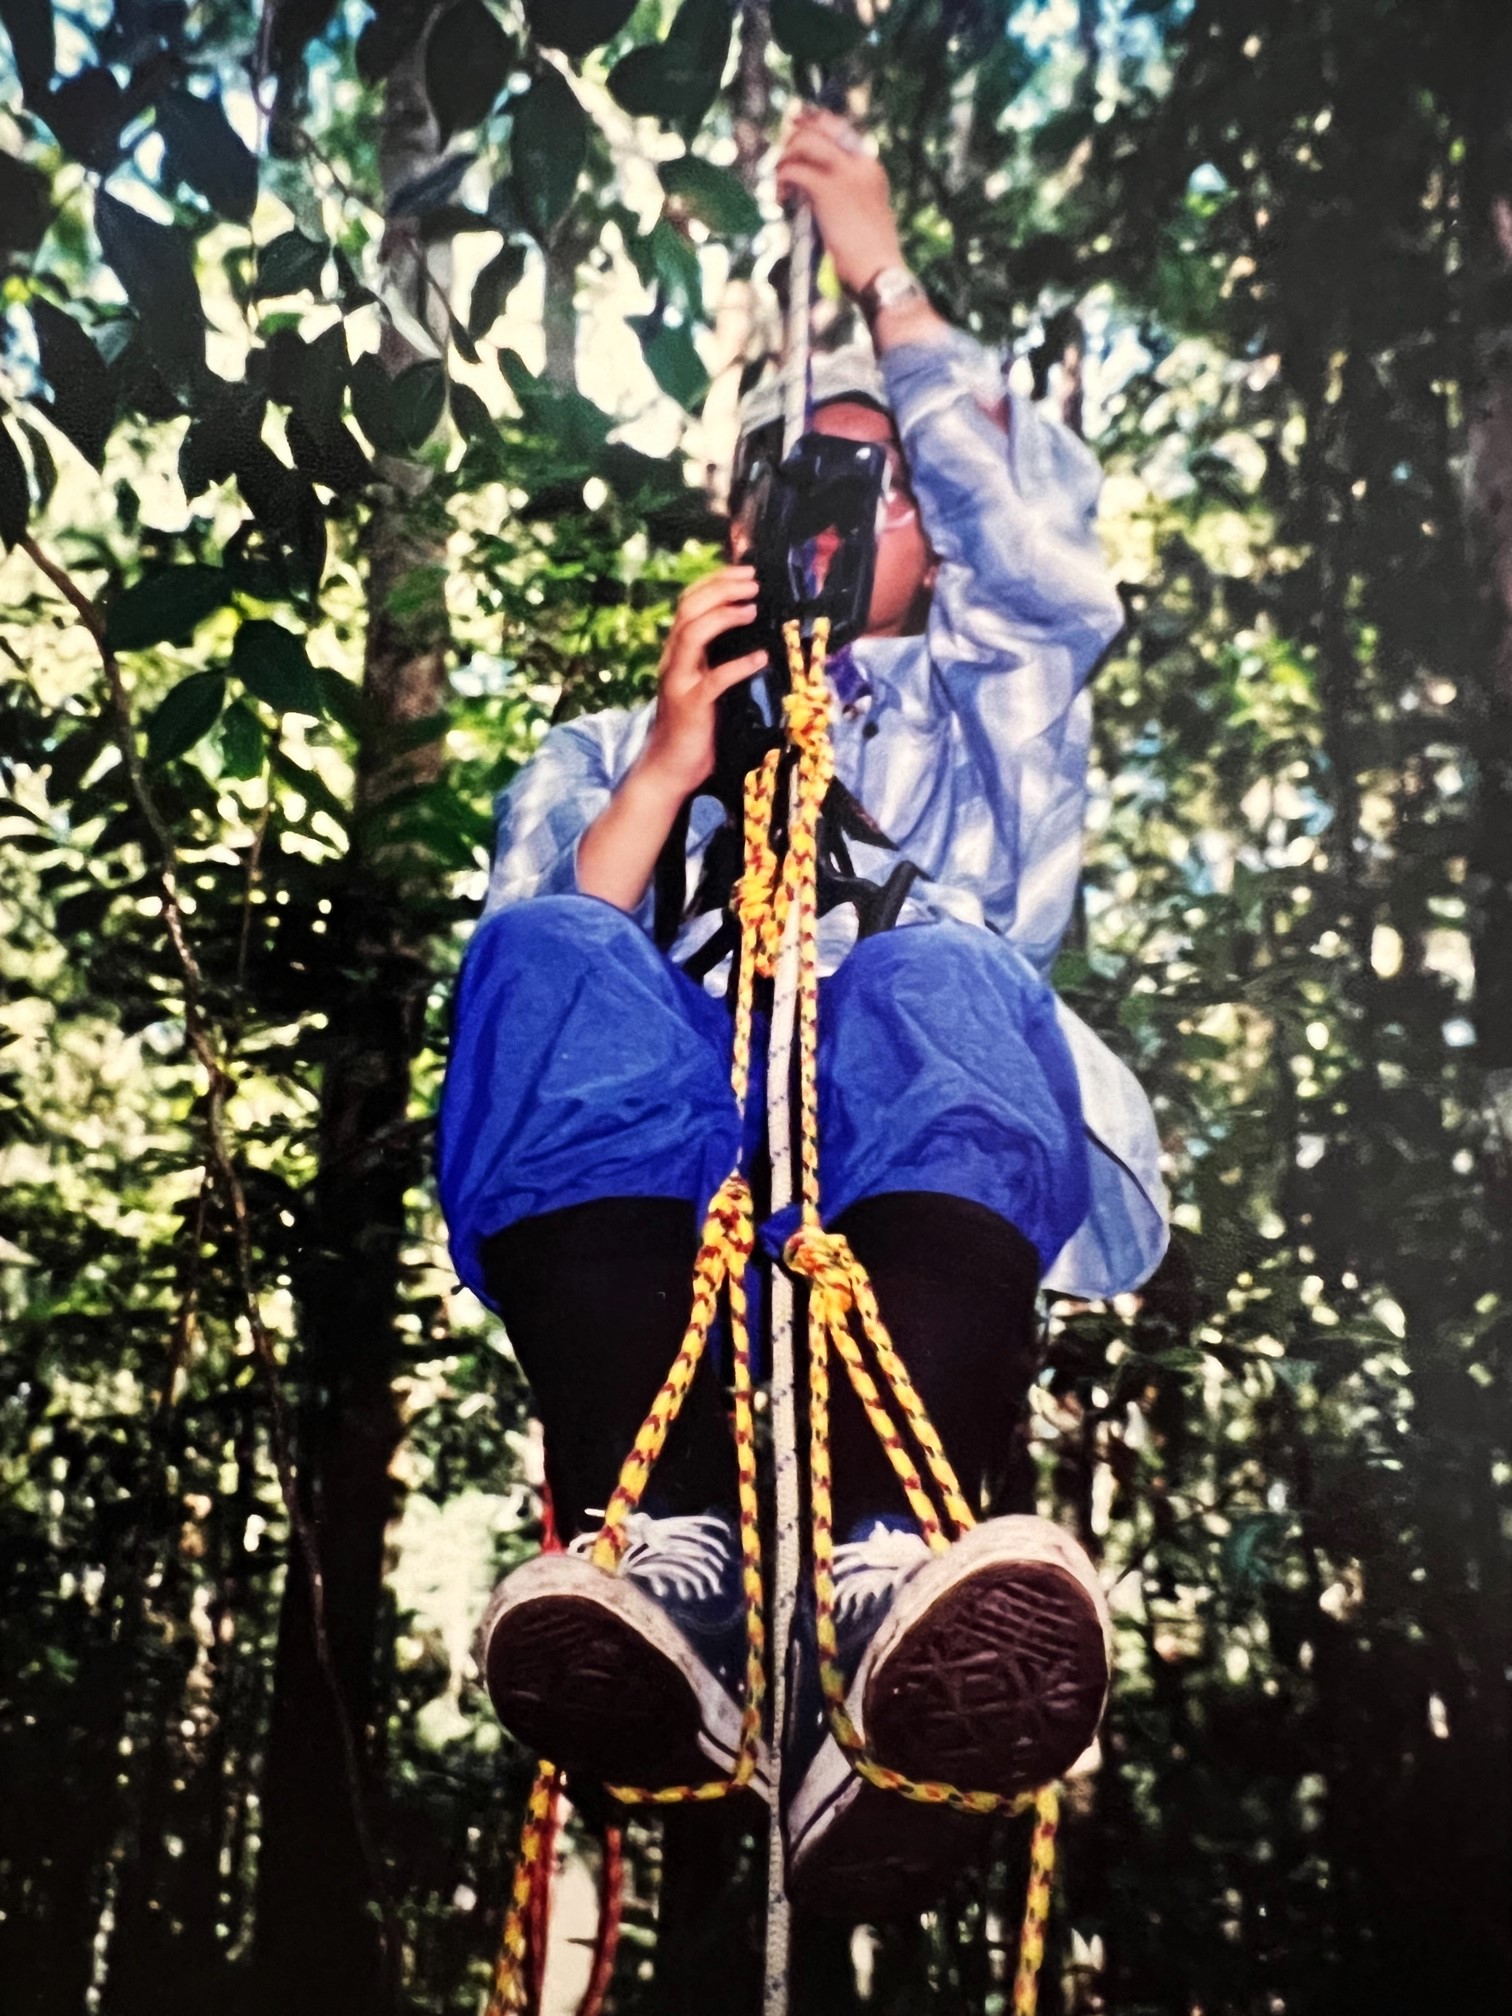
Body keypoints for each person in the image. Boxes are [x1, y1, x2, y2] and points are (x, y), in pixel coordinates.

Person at [437, 108, 1168, 1913]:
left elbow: (1056, 585)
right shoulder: (608, 750)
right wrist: (677, 755)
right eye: (815, 486)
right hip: (672, 1190)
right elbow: (545, 1000)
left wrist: (879, 274)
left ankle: (891, 1566)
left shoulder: (983, 706)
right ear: (746, 529)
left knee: (941, 963)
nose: (856, 516)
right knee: (540, 952)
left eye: (896, 485)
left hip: (910, 1155)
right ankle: (662, 1564)